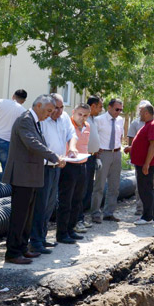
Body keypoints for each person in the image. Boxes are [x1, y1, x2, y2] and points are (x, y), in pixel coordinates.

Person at [3, 94, 65, 265]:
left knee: (28, 216)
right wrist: (54, 157)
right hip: (22, 175)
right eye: (48, 110)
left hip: (30, 175)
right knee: (19, 216)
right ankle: (13, 252)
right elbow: (32, 143)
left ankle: (23, 248)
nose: (49, 114)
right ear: (38, 105)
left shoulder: (34, 121)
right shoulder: (25, 119)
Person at [29, 94, 78, 254]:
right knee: (40, 205)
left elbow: (72, 134)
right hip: (43, 167)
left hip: (57, 166)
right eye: (55, 108)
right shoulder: (42, 120)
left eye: (61, 107)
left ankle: (42, 238)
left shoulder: (64, 118)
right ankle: (35, 241)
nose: (58, 111)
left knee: (50, 204)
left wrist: (72, 147)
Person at [55, 103, 91, 244]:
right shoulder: (67, 125)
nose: (82, 118)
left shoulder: (88, 127)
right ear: (74, 112)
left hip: (82, 164)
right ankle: (62, 233)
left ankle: (71, 229)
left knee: (77, 200)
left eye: (85, 115)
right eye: (80, 114)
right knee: (66, 201)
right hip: (68, 166)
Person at [127, 100, 154, 216]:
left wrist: (146, 164)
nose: (139, 113)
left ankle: (147, 216)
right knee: (146, 189)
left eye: (141, 111)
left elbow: (153, 145)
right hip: (143, 162)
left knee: (146, 190)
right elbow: (144, 144)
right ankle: (152, 214)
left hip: (147, 164)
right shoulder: (148, 124)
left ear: (146, 113)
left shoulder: (153, 125)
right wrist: (131, 149)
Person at [90, 98, 124, 223]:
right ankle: (95, 213)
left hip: (116, 153)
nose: (119, 112)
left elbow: (120, 136)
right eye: (116, 109)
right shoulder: (99, 120)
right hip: (103, 154)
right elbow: (93, 136)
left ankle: (109, 213)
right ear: (109, 107)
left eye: (121, 109)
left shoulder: (120, 120)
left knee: (114, 186)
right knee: (99, 185)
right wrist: (97, 154)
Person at [75, 96, 103, 233]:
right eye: (99, 106)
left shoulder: (92, 120)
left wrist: (97, 155)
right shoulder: (82, 121)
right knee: (81, 190)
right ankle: (77, 220)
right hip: (82, 158)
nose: (101, 109)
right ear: (92, 106)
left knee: (87, 190)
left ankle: (81, 217)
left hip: (91, 158)